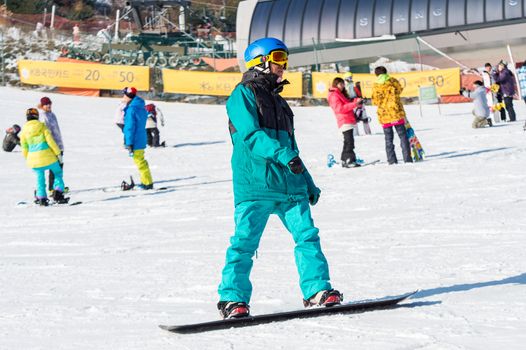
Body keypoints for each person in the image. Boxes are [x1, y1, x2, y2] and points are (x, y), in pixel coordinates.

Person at [217, 37, 341, 319]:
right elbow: (251, 136)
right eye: (278, 58)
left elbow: (292, 148)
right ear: (259, 61)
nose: (283, 66)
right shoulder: (242, 95)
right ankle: (232, 298)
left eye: (284, 59)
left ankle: (317, 290)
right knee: (244, 243)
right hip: (256, 184)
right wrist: (284, 156)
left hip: (290, 186)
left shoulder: (280, 103)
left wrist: (307, 180)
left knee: (308, 237)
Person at [19, 108, 67, 206]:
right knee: (57, 172)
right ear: (37, 116)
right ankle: (58, 193)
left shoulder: (24, 131)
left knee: (39, 178)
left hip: (34, 161)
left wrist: (28, 158)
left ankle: (41, 198)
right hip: (49, 158)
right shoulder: (42, 127)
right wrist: (58, 153)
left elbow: (24, 147)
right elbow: (51, 142)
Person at [371, 66, 412, 164]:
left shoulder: (376, 85)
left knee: (388, 139)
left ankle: (392, 160)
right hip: (396, 113)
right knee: (403, 137)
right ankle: (407, 159)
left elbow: (375, 101)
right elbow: (399, 90)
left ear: (376, 74)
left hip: (385, 116)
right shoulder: (393, 81)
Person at [122, 87, 154, 190]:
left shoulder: (131, 109)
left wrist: (129, 142)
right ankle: (145, 182)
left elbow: (130, 128)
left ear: (129, 96)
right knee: (141, 161)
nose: (123, 97)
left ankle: (147, 183)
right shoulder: (140, 107)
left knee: (140, 162)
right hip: (140, 138)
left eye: (124, 95)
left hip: (135, 140)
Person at [327, 77, 361, 167]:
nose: (342, 86)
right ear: (335, 84)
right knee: (349, 141)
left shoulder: (339, 93)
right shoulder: (334, 95)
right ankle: (349, 160)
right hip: (344, 120)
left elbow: (346, 103)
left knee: (348, 141)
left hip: (348, 119)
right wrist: (354, 104)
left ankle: (345, 159)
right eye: (340, 84)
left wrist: (356, 101)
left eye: (343, 84)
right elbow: (340, 108)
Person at [38, 97, 66, 195]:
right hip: (52, 146)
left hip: (59, 144)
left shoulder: (52, 115)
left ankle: (58, 186)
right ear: (42, 106)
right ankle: (52, 188)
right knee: (55, 167)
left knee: (60, 166)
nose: (48, 106)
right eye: (46, 104)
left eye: (49, 104)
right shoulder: (43, 116)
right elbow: (46, 133)